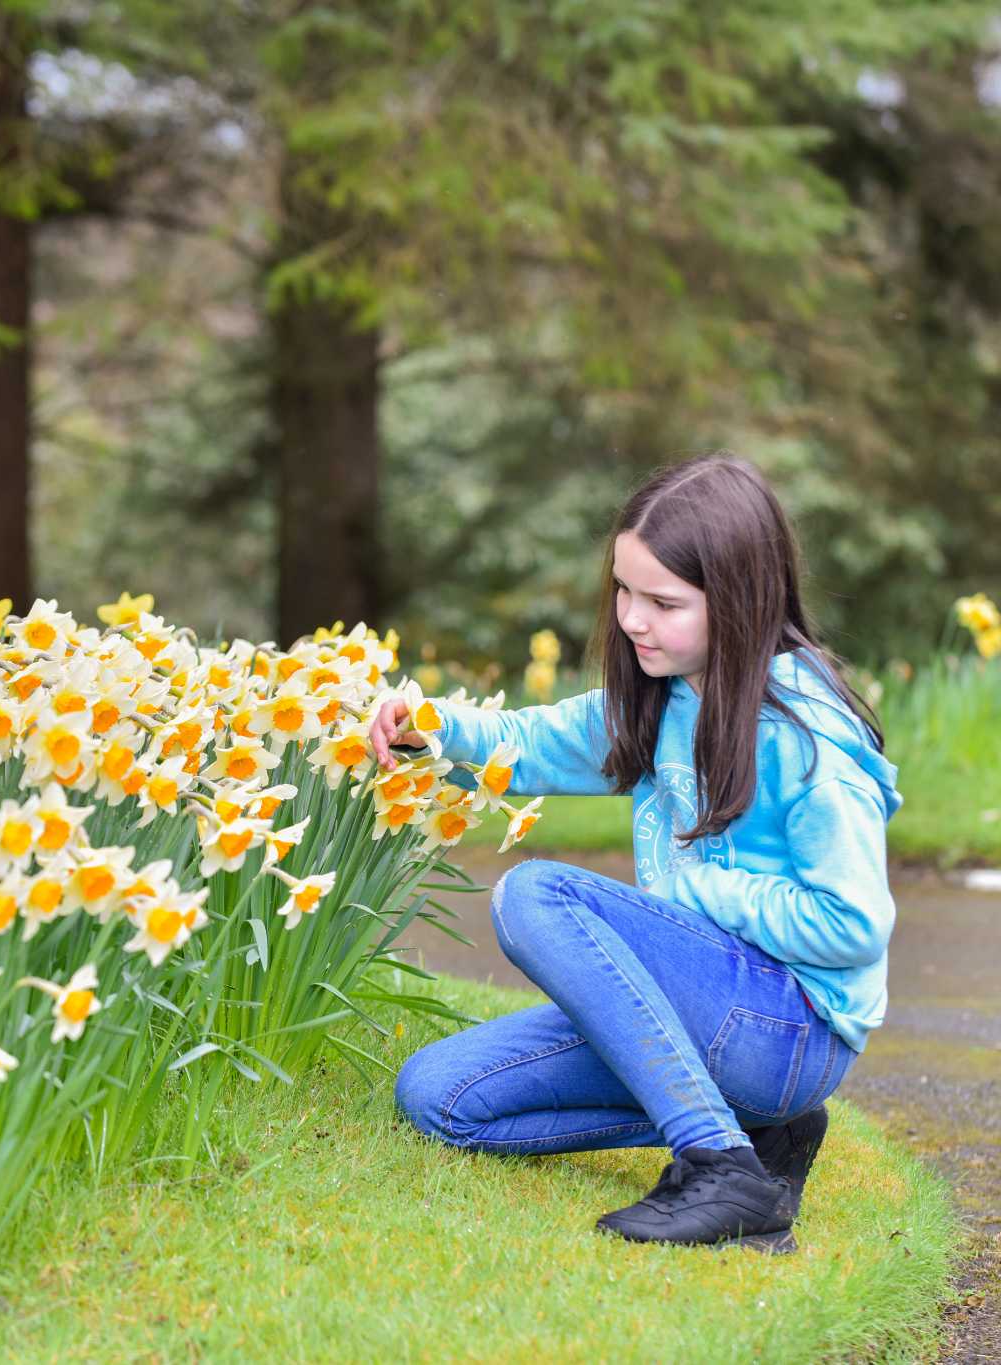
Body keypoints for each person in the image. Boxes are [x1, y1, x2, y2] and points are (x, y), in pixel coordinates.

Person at [373, 454, 900, 1254]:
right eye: (624, 590)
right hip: (709, 1015)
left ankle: (719, 1164)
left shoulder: (807, 737)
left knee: (533, 896)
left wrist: (700, 889)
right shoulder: (663, 695)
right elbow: (530, 740)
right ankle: (761, 1131)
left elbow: (853, 923)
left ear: (741, 599)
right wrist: (431, 726)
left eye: (663, 601)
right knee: (442, 1095)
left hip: (789, 1027)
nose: (633, 619)